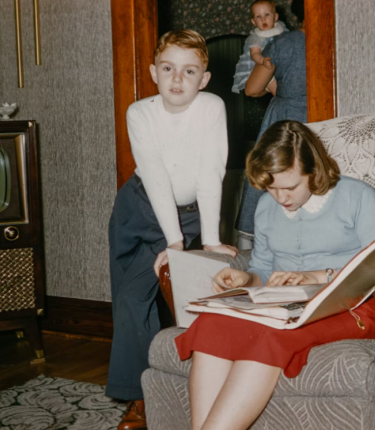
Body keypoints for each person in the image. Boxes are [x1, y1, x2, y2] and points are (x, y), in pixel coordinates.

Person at [175, 120, 375, 430]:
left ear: (314, 171)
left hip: (350, 305)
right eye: (271, 187)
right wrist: (247, 279)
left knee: (269, 333)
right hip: (284, 303)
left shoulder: (357, 196)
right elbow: (263, 270)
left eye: (290, 187)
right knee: (211, 323)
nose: (281, 198)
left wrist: (318, 276)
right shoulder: (267, 207)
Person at [106, 29, 237, 430]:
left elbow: (211, 172)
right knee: (129, 299)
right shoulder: (140, 113)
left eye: (189, 71)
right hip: (139, 206)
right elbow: (156, 177)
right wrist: (174, 241)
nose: (177, 79)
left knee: (157, 296)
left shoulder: (211, 107)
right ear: (153, 72)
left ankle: (160, 392)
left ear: (204, 79)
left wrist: (209, 240)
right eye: (168, 69)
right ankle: (143, 392)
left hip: (190, 212)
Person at [235, 0, 307, 249]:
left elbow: (252, 89)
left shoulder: (285, 43)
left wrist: (280, 89)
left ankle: (257, 246)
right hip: (329, 120)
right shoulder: (342, 39)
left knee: (272, 179)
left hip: (288, 120)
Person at [231, 0, 287, 96]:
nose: (263, 19)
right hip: (258, 69)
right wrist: (262, 60)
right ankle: (283, 100)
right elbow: (254, 54)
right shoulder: (256, 37)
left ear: (275, 17)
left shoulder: (282, 30)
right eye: (258, 16)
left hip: (278, 67)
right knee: (279, 91)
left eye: (267, 15)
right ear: (253, 22)